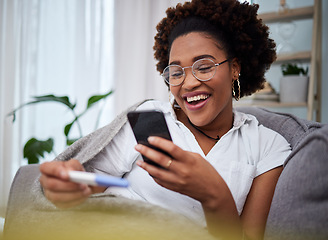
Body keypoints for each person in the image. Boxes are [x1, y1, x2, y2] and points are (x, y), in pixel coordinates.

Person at [39, 0, 291, 239]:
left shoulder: (267, 146)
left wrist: (214, 193)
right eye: (176, 72)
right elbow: (91, 183)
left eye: (204, 66)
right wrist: (69, 186)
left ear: (234, 67)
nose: (189, 83)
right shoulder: (150, 118)